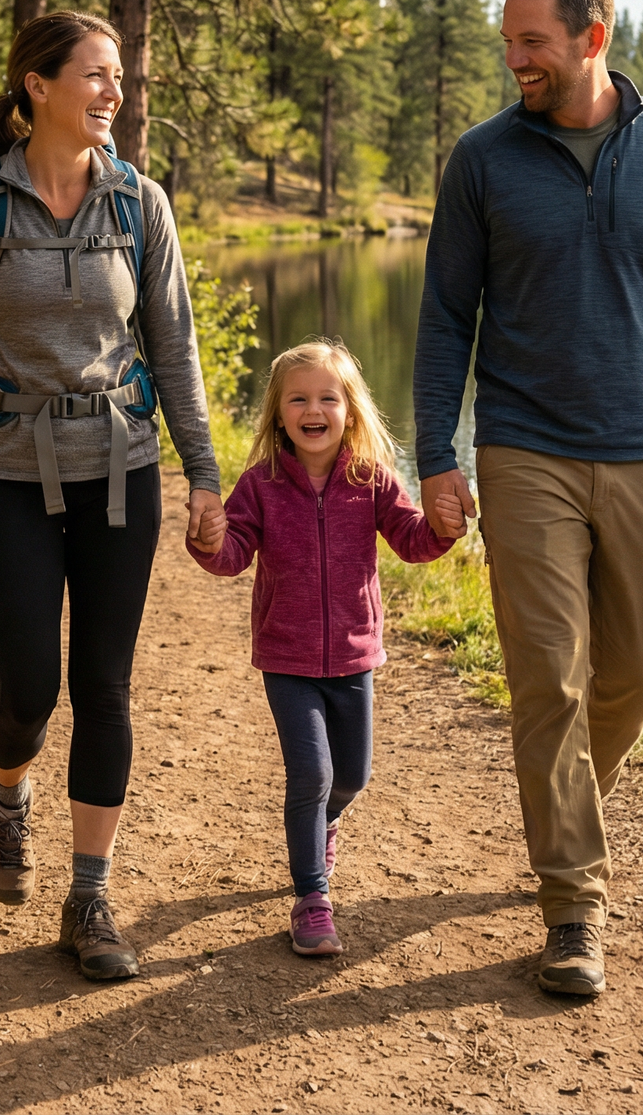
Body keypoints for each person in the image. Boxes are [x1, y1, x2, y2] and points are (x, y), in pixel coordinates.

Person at [414, 0, 643, 998]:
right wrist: (438, 454)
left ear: (591, 35)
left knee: (642, 670)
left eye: (531, 41)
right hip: (521, 444)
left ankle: (563, 812)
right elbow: (443, 319)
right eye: (507, 41)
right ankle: (574, 904)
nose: (513, 58)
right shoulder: (483, 160)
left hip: (641, 445)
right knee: (549, 677)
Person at [0, 10, 224, 983]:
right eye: (97, 75)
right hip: (6, 474)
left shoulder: (140, 204)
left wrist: (202, 473)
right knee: (28, 687)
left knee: (104, 685)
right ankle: (6, 791)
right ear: (37, 85)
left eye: (118, 76)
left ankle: (89, 892)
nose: (113, 92)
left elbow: (176, 348)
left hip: (121, 469)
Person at [186, 339, 459, 956]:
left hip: (353, 654)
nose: (314, 409)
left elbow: (412, 540)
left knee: (351, 777)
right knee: (312, 772)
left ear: (351, 411)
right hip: (287, 656)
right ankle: (312, 896)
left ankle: (325, 824)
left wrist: (440, 528)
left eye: (328, 398)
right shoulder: (259, 486)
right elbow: (231, 557)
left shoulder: (372, 481)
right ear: (279, 414)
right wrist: (208, 539)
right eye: (298, 398)